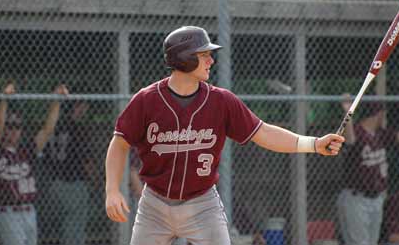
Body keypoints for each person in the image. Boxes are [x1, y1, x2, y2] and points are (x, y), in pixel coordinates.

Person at [105, 26, 344, 245]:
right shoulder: (148, 100)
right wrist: (112, 190)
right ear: (184, 58)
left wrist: (313, 144)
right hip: (155, 205)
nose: (211, 60)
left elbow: (264, 133)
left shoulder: (221, 101)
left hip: (202, 204)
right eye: (203, 55)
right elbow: (120, 142)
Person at [0, 82, 68, 245]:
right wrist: (4, 100)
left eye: (17, 126)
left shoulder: (26, 150)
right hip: (7, 212)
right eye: (10, 126)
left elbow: (47, 130)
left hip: (29, 211)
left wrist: (57, 100)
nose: (14, 130)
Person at [336, 96, 399, 245]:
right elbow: (349, 139)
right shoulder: (357, 131)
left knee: (371, 242)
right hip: (356, 198)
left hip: (377, 198)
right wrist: (347, 112)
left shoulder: (381, 134)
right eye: (383, 113)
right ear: (379, 113)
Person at [44, 100, 94, 245]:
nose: (85, 110)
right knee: (74, 226)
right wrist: (97, 181)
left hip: (53, 182)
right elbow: (86, 160)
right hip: (74, 183)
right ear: (77, 106)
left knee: (63, 224)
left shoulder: (55, 125)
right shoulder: (77, 129)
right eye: (83, 106)